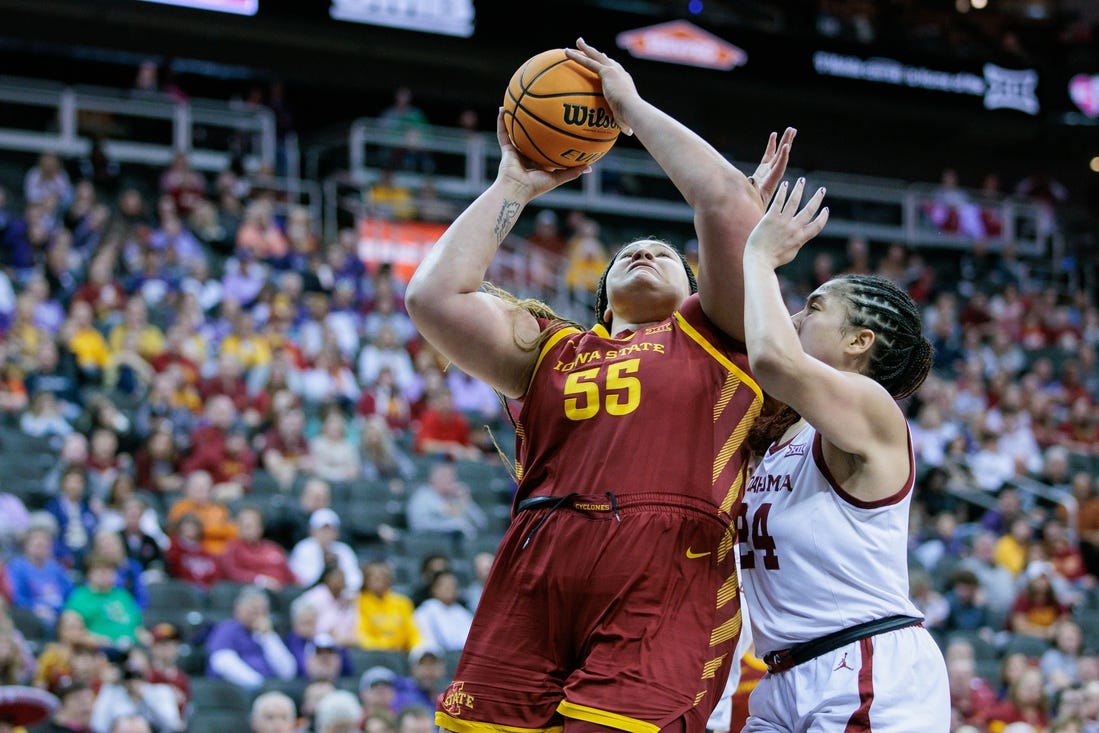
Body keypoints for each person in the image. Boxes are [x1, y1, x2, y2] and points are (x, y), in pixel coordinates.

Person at [404, 38, 792, 733]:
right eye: (627, 254)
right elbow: (432, 296)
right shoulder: (550, 345)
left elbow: (728, 201)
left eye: (665, 253)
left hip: (667, 562)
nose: (644, 251)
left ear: (697, 287)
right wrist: (512, 186)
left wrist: (632, 110)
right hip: (539, 554)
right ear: (602, 300)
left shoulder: (719, 334)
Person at [735, 177, 949, 730]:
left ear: (858, 342)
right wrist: (734, 217)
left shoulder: (874, 410)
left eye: (813, 306)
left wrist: (759, 256)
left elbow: (773, 359)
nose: (796, 317)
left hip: (867, 665)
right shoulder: (783, 431)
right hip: (783, 675)